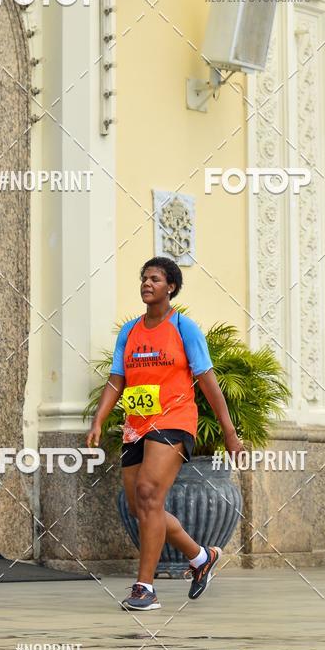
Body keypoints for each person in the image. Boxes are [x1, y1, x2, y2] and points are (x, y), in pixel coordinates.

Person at [86, 257, 244, 611]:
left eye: (155, 279)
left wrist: (229, 432)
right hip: (136, 425)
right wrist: (99, 419)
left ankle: (145, 588)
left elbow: (207, 381)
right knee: (142, 507)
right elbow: (117, 379)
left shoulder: (184, 328)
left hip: (174, 420)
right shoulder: (130, 331)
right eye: (143, 278)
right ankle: (201, 557)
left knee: (147, 493)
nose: (147, 284)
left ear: (170, 286)